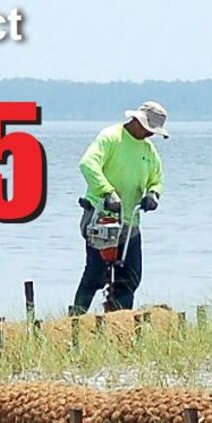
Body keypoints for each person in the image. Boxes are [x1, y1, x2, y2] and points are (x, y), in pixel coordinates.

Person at [71, 101, 167, 315]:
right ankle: (74, 321)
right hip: (101, 217)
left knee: (130, 278)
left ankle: (118, 325)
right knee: (96, 274)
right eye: (149, 129)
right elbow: (87, 164)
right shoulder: (111, 137)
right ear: (137, 121)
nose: (151, 135)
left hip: (130, 221)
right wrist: (107, 191)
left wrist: (153, 194)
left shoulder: (148, 150)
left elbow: (157, 178)